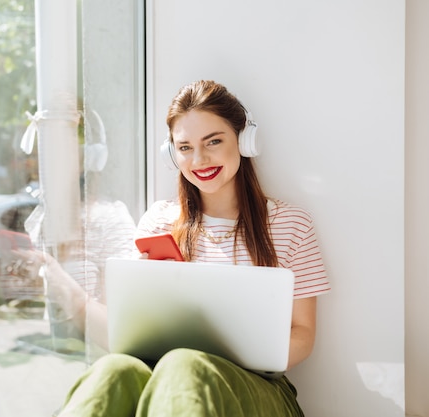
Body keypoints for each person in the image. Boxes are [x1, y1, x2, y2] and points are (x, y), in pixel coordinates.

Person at [29, 80, 331, 416]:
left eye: (213, 141)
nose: (199, 159)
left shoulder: (290, 224)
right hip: (167, 377)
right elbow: (122, 333)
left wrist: (228, 357)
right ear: (172, 153)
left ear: (244, 141)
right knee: (113, 370)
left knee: (183, 363)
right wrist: (64, 289)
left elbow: (303, 334)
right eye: (185, 147)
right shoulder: (159, 221)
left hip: (259, 390)